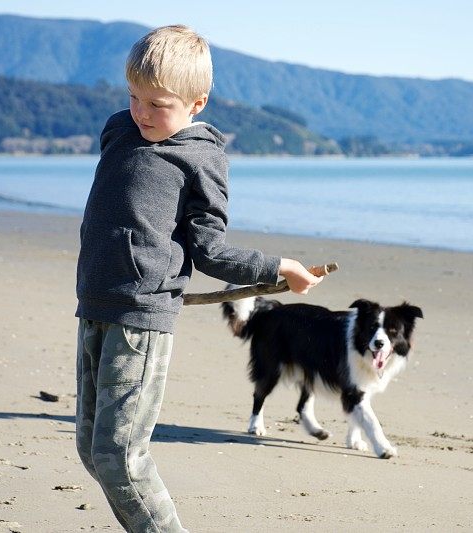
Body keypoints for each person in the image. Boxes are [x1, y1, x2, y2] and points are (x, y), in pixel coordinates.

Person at [73, 25, 322, 532]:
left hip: (141, 321)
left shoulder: (200, 161)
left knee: (120, 456)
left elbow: (210, 250)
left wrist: (281, 268)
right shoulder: (119, 129)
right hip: (95, 306)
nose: (141, 113)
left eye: (158, 104)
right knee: (92, 449)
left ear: (197, 103)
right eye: (134, 97)